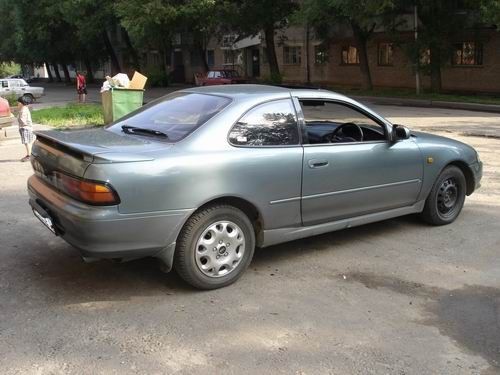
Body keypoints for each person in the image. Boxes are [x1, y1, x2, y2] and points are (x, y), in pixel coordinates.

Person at [17, 97, 34, 162]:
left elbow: (22, 120)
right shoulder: (25, 108)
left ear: (21, 103)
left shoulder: (23, 110)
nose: (17, 103)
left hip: (25, 128)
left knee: (27, 142)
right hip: (28, 128)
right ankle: (30, 154)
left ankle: (29, 156)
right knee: (28, 142)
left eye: (18, 102)